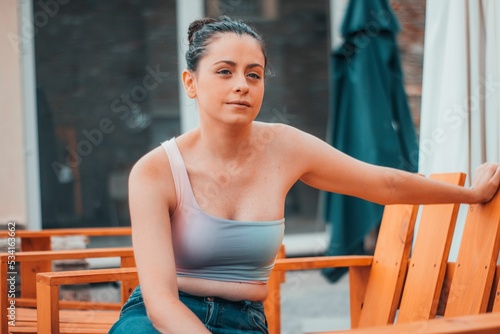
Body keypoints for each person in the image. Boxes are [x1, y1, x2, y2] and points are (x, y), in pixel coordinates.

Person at [109, 16, 500, 334]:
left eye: (254, 74)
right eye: (225, 72)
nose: (242, 86)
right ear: (190, 83)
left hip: (243, 321)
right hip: (160, 320)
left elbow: (385, 183)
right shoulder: (154, 172)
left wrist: (470, 193)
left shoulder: (286, 147)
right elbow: (161, 303)